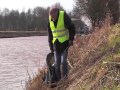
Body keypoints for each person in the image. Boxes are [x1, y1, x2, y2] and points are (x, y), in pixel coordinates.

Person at [47, 7, 75, 81]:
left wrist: (71, 39)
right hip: (56, 45)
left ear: (57, 12)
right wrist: (51, 46)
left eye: (53, 17)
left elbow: (72, 27)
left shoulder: (63, 16)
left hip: (65, 44)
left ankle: (65, 79)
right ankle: (59, 81)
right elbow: (50, 34)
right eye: (51, 17)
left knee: (63, 62)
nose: (52, 19)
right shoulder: (50, 19)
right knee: (57, 64)